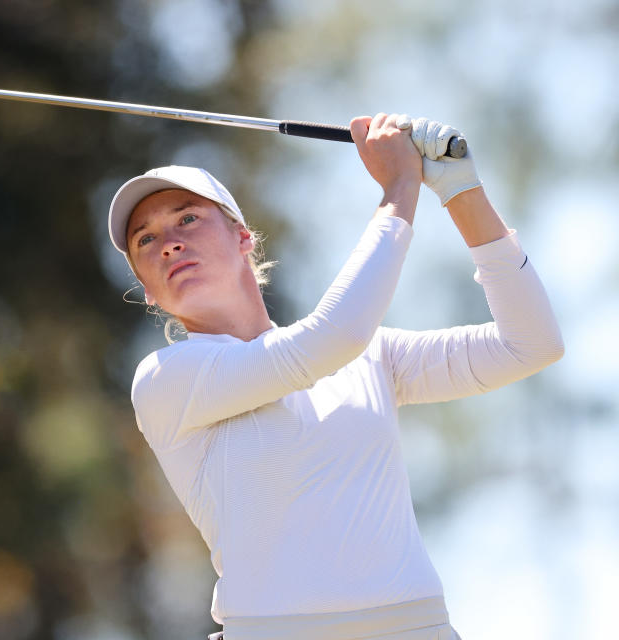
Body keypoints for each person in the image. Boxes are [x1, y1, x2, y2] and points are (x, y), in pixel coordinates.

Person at [106, 113, 564, 640]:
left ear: (243, 238)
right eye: (145, 240)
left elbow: (531, 344)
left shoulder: (370, 355)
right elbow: (326, 342)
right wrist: (399, 188)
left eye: (187, 219)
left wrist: (460, 190)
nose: (168, 243)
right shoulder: (166, 379)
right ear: (148, 291)